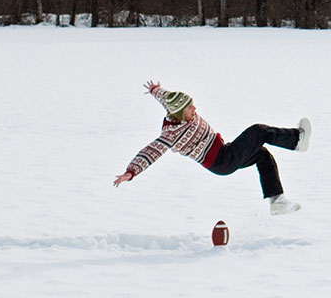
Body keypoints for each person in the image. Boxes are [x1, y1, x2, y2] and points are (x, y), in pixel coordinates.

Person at [114, 81, 310, 215]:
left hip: (224, 152)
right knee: (258, 131)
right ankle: (296, 141)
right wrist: (131, 172)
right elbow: (150, 152)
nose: (195, 109)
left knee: (262, 155)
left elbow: (166, 97)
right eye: (191, 108)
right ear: (181, 113)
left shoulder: (173, 108)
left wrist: (155, 89)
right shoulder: (170, 135)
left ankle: (277, 202)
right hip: (221, 161)